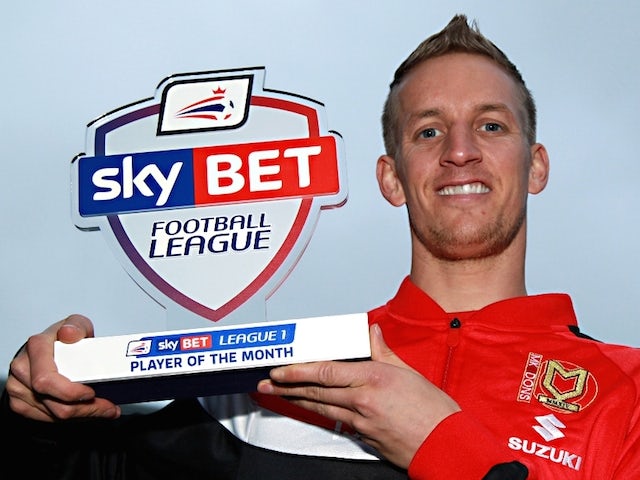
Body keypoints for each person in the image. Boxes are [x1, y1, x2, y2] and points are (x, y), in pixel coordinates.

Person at [3, 14, 640, 479]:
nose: (459, 151)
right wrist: (38, 416)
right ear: (391, 179)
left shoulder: (627, 390)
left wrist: (440, 445)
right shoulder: (273, 373)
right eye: (427, 131)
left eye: (491, 125)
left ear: (536, 167)